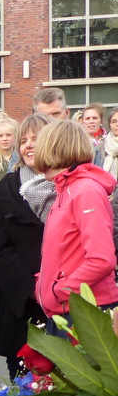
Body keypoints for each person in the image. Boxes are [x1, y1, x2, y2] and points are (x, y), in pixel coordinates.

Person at [0, 114, 52, 377]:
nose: (28, 145)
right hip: (20, 298)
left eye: (36, 139)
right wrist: (31, 289)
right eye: (24, 140)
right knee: (23, 380)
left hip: (65, 296)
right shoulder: (6, 189)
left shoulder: (72, 187)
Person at [33, 119, 118, 327]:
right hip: (69, 308)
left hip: (84, 311)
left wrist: (58, 290)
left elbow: (101, 260)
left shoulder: (85, 191)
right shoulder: (67, 190)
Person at [101, 107, 118, 182]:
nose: (117, 124)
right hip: (107, 186)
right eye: (114, 121)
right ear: (109, 125)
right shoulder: (102, 146)